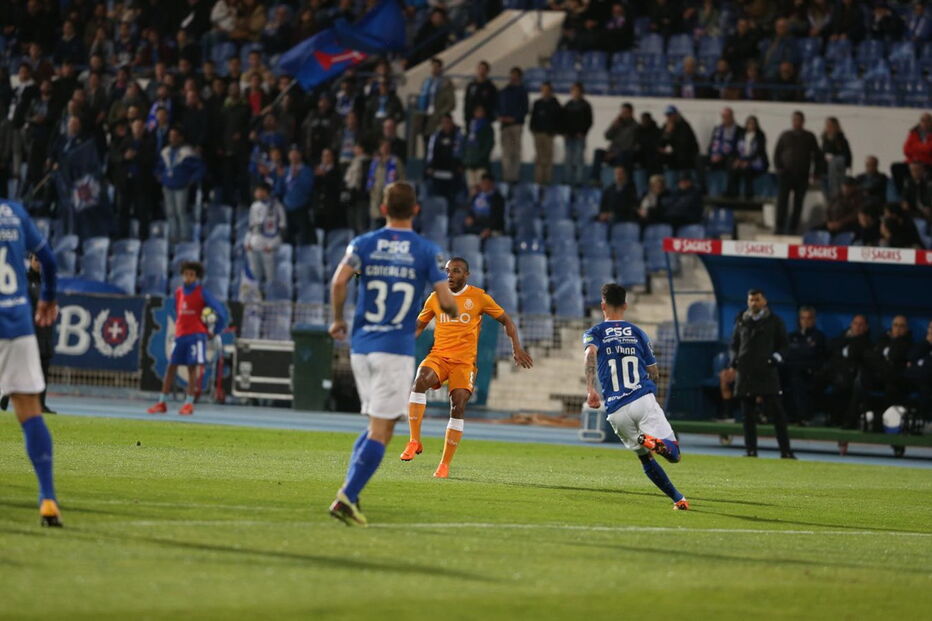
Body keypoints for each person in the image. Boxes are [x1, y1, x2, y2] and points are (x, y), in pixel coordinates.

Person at [327, 181, 458, 526]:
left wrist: (338, 319)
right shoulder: (426, 250)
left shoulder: (363, 243)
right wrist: (452, 309)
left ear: (382, 209)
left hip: (361, 347)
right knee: (383, 431)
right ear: (416, 210)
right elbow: (445, 300)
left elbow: (339, 282)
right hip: (394, 351)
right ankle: (346, 496)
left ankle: (349, 495)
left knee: (377, 424)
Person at [403, 257, 532, 477]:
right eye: (447, 271)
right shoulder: (435, 297)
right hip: (439, 357)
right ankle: (414, 440)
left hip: (464, 363)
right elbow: (419, 325)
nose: (450, 275)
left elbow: (507, 321)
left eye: (456, 271)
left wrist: (516, 348)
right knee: (419, 382)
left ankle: (444, 465)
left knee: (458, 405)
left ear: (466, 275)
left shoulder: (479, 297)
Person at [583, 283, 689, 510]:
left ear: (603, 306)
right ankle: (654, 441)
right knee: (675, 455)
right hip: (641, 398)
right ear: (625, 305)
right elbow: (654, 371)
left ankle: (678, 498)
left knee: (645, 458)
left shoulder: (594, 333)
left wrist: (591, 389)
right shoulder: (638, 332)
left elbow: (590, 355)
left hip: (616, 410)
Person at [0, 199, 60, 526]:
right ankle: (47, 499)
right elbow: (49, 259)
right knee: (29, 411)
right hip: (16, 323)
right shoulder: (14, 213)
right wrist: (49, 297)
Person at [147, 261, 228, 417]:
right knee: (171, 367)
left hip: (196, 336)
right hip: (180, 335)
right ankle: (161, 402)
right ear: (182, 275)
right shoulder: (178, 293)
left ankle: (189, 404)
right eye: (186, 274)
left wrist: (214, 331)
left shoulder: (202, 293)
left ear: (196, 277)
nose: (188, 277)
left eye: (192, 275)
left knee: (192, 369)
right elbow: (178, 312)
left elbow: (221, 313)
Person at [729, 289, 794, 458]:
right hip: (745, 371)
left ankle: (785, 451)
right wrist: (734, 359)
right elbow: (734, 344)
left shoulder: (774, 321)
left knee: (778, 414)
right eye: (751, 300)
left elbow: (785, 345)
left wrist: (775, 358)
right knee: (747, 416)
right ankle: (751, 450)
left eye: (757, 300)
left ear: (764, 301)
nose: (753, 303)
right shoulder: (742, 321)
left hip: (767, 371)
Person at [813, 315, 872, 428]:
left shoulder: (866, 343)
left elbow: (857, 357)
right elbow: (831, 349)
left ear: (866, 327)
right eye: (855, 323)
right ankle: (817, 415)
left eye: (861, 325)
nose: (857, 327)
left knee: (842, 385)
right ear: (851, 324)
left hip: (851, 374)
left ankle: (840, 419)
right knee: (815, 380)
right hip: (833, 371)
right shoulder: (842, 338)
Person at [773, 111, 824, 234]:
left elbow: (817, 156)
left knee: (798, 203)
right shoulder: (785, 135)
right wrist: (779, 168)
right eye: (795, 120)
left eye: (799, 120)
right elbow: (777, 153)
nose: (797, 122)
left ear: (803, 121)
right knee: (782, 201)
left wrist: (816, 172)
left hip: (802, 174)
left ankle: (793, 227)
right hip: (786, 174)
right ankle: (779, 226)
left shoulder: (809, 136)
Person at [154, 126, 205, 243]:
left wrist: (192, 179)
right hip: (167, 186)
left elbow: (200, 168)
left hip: (181, 186)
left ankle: (185, 237)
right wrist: (159, 175)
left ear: (181, 138)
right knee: (170, 212)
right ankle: (173, 237)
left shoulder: (188, 152)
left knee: (181, 212)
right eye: (170, 136)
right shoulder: (165, 151)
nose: (172, 139)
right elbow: (158, 167)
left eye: (175, 136)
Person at [783, 306, 827, 424]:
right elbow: (787, 353)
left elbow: (814, 354)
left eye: (809, 318)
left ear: (814, 320)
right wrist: (803, 350)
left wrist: (798, 350)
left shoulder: (819, 336)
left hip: (810, 372)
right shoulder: (791, 336)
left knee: (797, 378)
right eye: (803, 318)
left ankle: (803, 417)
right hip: (789, 370)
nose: (806, 321)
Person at [245, 182, 286, 291]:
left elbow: (282, 227)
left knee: (270, 275)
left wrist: (273, 244)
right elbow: (251, 226)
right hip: (255, 242)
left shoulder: (277, 206)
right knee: (255, 273)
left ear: (265, 191)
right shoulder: (254, 206)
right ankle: (256, 297)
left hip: (270, 243)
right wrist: (248, 242)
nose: (256, 193)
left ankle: (270, 297)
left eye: (259, 190)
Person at [276, 146, 315, 245]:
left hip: (301, 207)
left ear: (300, 155)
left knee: (303, 237)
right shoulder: (285, 170)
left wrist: (297, 178)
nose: (293, 156)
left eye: (296, 153)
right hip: (287, 208)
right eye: (291, 153)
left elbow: (308, 189)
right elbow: (279, 190)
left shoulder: (306, 170)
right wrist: (280, 178)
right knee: (287, 237)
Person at [425, 114, 464, 212]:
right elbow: (431, 153)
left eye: (448, 122)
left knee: (452, 198)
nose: (446, 125)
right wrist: (430, 166)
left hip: (452, 173)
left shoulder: (458, 136)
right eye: (444, 123)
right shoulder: (436, 136)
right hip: (438, 172)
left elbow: (460, 153)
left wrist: (458, 166)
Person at [416, 58, 456, 152]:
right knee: (426, 143)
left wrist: (440, 114)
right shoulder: (426, 81)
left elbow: (451, 103)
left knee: (437, 144)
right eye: (432, 66)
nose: (434, 69)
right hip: (425, 117)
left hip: (438, 118)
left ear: (441, 68)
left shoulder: (445, 83)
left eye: (436, 67)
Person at [497, 67, 529, 184]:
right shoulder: (504, 91)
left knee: (515, 152)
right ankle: (506, 177)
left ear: (519, 77)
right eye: (512, 75)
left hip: (516, 125)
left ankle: (514, 177)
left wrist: (514, 118)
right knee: (506, 153)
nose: (513, 78)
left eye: (515, 75)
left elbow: (524, 109)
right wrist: (500, 117)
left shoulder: (522, 91)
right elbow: (498, 106)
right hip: (505, 126)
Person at [367, 139, 406, 229]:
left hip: (390, 198)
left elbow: (402, 178)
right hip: (376, 199)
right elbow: (371, 178)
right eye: (383, 146)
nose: (385, 149)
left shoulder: (395, 161)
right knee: (375, 228)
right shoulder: (375, 162)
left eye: (387, 147)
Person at [529, 81, 562, 185]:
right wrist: (533, 129)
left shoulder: (555, 103)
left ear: (551, 91)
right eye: (543, 90)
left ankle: (547, 181)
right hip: (538, 134)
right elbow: (533, 118)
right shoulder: (537, 103)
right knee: (539, 159)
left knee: (548, 159)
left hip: (549, 135)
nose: (545, 92)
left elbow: (558, 118)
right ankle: (538, 181)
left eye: (547, 90)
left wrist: (554, 130)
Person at [728, 115, 768, 198]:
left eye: (752, 123)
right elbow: (735, 149)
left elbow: (759, 151)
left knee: (747, 169)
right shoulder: (740, 134)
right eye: (748, 123)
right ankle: (732, 193)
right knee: (733, 168)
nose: (750, 125)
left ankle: (749, 195)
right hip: (741, 159)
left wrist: (748, 161)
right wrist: (737, 160)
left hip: (756, 161)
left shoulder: (760, 135)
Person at [562, 82, 593, 186]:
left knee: (579, 159)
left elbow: (589, 121)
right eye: (573, 90)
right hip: (568, 137)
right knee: (568, 159)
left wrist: (583, 132)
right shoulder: (567, 105)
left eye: (577, 90)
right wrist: (564, 132)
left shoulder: (586, 105)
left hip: (580, 137)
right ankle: (567, 180)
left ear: (581, 92)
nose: (575, 93)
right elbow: (563, 120)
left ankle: (578, 181)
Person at [462, 104, 494, 192]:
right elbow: (465, 144)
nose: (478, 113)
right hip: (469, 163)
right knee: (472, 189)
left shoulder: (487, 127)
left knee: (482, 188)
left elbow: (489, 144)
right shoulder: (470, 127)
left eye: (480, 111)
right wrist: (465, 159)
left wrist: (481, 157)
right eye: (477, 111)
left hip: (481, 164)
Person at [821, 117, 852, 202]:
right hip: (824, 172)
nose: (829, 127)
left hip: (836, 173)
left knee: (836, 196)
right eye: (827, 125)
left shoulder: (842, 140)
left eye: (831, 125)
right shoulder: (824, 139)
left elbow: (847, 156)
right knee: (827, 198)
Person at [463, 60, 498, 128]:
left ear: (487, 71)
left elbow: (494, 104)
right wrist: (467, 118)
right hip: (471, 120)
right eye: (480, 68)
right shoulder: (471, 86)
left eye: (484, 69)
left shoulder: (491, 87)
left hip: (485, 121)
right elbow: (467, 103)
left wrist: (489, 117)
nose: (481, 71)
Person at [708, 107, 742, 173]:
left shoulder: (739, 130)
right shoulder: (717, 129)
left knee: (731, 162)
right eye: (724, 117)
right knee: (699, 159)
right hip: (715, 154)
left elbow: (740, 147)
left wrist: (722, 155)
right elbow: (711, 144)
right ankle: (702, 182)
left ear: (732, 117)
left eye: (727, 117)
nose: (725, 119)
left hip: (729, 156)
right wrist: (712, 154)